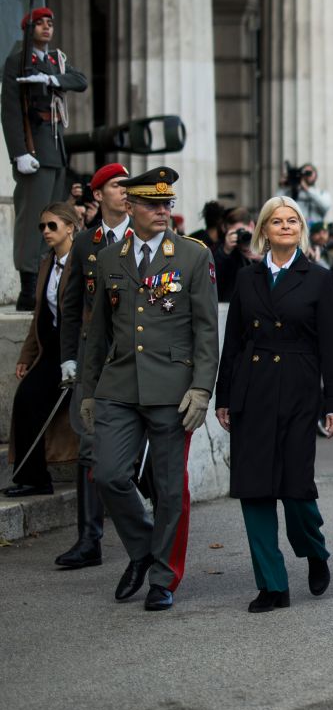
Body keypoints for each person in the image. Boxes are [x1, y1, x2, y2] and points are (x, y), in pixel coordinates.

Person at [77, 167, 219, 613]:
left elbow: (206, 330)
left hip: (172, 389)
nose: (163, 212)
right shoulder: (109, 257)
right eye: (153, 205)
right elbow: (96, 331)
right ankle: (142, 551)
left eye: (167, 204)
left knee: (169, 487)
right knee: (109, 474)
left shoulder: (194, 256)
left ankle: (163, 577)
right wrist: (87, 389)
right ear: (131, 206)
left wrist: (201, 389)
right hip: (118, 384)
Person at [214, 197, 333, 612]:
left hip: (298, 389)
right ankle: (272, 585)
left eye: (292, 220)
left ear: (301, 229)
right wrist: (224, 397)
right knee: (254, 490)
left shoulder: (319, 279)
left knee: (296, 491)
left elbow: (330, 346)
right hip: (252, 390)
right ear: (264, 231)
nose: (285, 226)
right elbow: (233, 342)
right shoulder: (248, 278)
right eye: (277, 221)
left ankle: (315, 550)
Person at [53, 163, 132, 567]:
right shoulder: (85, 242)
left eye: (126, 186)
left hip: (135, 354)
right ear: (98, 195)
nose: (125, 191)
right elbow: (71, 306)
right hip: (93, 357)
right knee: (88, 443)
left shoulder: (144, 237)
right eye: (117, 186)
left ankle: (139, 526)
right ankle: (90, 540)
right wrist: (69, 356)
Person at [4, 8, 89, 308]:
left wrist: (52, 79)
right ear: (28, 29)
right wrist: (19, 154)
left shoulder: (56, 60)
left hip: (55, 147)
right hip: (35, 147)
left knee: (54, 218)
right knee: (33, 221)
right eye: (39, 24)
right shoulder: (18, 60)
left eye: (50, 24)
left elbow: (80, 80)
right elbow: (11, 112)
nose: (46, 28)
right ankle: (28, 285)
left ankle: (44, 280)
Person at [6, 201, 81, 497]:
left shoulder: (82, 261)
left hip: (74, 349)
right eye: (42, 227)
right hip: (49, 349)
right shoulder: (47, 262)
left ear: (70, 227)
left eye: (52, 225)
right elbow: (39, 314)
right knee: (25, 400)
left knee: (46, 406)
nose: (46, 231)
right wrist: (27, 356)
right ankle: (32, 477)